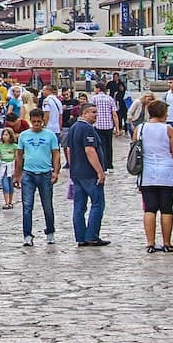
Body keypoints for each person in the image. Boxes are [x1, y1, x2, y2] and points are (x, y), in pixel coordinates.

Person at [134, 99, 173, 253]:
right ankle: (167, 243)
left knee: (150, 208)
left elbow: (135, 149)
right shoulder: (168, 129)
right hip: (166, 172)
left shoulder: (139, 129)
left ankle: (150, 243)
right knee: (166, 208)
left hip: (147, 173)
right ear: (163, 114)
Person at [14, 108, 61, 247]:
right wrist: (17, 175)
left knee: (47, 206)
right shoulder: (24, 136)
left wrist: (56, 171)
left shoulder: (50, 136)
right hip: (28, 174)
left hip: (45, 173)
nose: (36, 124)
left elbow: (56, 154)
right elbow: (19, 155)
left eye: (39, 122)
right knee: (27, 206)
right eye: (34, 122)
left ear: (43, 121)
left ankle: (50, 232)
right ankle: (27, 235)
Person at [66, 102, 109, 247]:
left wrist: (72, 167)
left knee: (79, 206)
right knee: (97, 203)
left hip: (77, 172)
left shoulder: (73, 128)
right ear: (84, 114)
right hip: (89, 173)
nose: (96, 115)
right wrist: (99, 171)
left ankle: (80, 236)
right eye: (93, 112)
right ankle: (92, 235)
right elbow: (90, 150)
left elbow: (69, 150)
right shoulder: (87, 129)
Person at [90, 82, 119, 171]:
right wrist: (117, 127)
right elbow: (114, 114)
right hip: (108, 125)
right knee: (109, 146)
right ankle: (110, 165)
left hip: (98, 125)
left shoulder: (94, 99)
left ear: (98, 89)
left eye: (95, 88)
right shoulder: (110, 99)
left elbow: (91, 111)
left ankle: (103, 165)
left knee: (100, 146)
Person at [0, 127, 18, 209]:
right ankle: (6, 202)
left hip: (11, 166)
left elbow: (16, 157)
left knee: (10, 185)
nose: (5, 136)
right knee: (5, 184)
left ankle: (10, 201)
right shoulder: (0, 146)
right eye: (3, 135)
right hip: (3, 166)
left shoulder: (14, 146)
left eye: (6, 135)